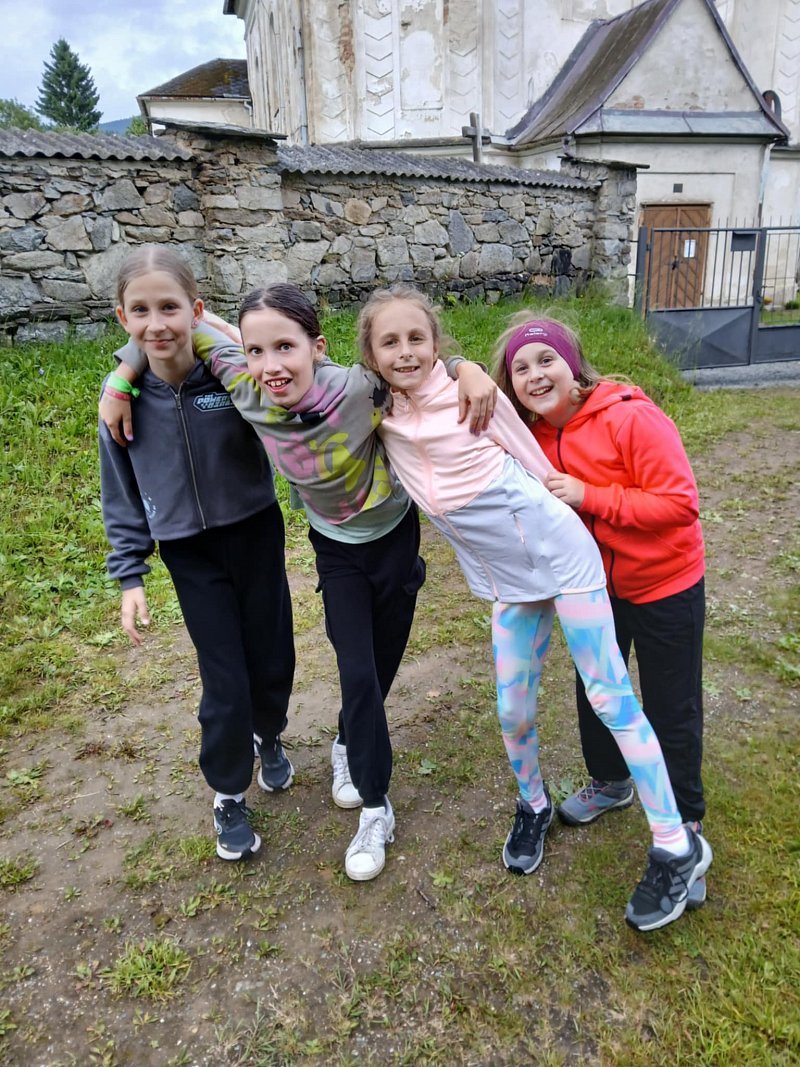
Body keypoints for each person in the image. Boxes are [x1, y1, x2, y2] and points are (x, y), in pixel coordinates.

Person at [100, 283, 496, 883]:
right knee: (358, 674)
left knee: (381, 666)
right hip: (335, 552)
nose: (270, 365)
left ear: (318, 347)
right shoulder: (245, 385)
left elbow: (413, 364)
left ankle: (347, 741)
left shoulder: (360, 388)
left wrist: (466, 367)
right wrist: (121, 375)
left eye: (285, 347)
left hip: (395, 539)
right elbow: (181, 329)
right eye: (256, 351)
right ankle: (375, 807)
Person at [355, 284, 711, 932]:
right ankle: (534, 805)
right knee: (512, 708)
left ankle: (675, 843)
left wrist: (465, 370)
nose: (405, 351)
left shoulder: (474, 397)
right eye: (390, 342)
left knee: (610, 697)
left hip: (565, 559)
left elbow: (536, 463)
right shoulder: (377, 413)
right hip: (509, 582)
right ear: (371, 354)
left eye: (417, 338)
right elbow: (289, 370)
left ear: (436, 343)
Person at [492, 314, 709, 908]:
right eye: (520, 368)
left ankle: (686, 830)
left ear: (573, 365)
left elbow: (680, 503)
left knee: (670, 706)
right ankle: (612, 783)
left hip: (665, 583)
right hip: (592, 587)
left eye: (547, 360)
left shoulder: (630, 416)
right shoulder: (530, 437)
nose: (536, 375)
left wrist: (591, 496)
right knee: (597, 692)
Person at [98, 248, 296, 863]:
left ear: (196, 310)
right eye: (140, 311)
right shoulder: (121, 401)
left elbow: (295, 381)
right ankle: (228, 792)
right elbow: (120, 492)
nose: (156, 323)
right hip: (188, 552)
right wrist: (129, 575)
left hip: (255, 531)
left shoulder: (233, 376)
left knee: (273, 655)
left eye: (170, 308)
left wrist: (224, 338)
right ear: (122, 317)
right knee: (224, 677)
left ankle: (269, 735)